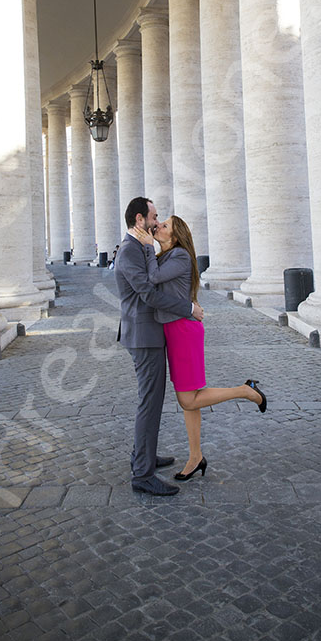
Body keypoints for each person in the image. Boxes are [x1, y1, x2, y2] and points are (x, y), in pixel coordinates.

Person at [134, 215, 267, 481]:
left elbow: (153, 277)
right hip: (174, 330)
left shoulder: (180, 256)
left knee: (187, 398)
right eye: (158, 223)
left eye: (164, 226)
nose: (157, 226)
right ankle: (196, 457)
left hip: (183, 331)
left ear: (175, 235)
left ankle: (245, 391)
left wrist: (148, 246)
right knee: (190, 401)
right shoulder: (166, 255)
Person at [114, 197, 205, 497]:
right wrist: (188, 308)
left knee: (151, 401)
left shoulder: (138, 247)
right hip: (144, 336)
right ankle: (142, 473)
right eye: (154, 217)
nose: (156, 222)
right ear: (140, 219)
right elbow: (149, 295)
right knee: (149, 404)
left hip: (149, 334)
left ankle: (145, 456)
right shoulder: (129, 251)